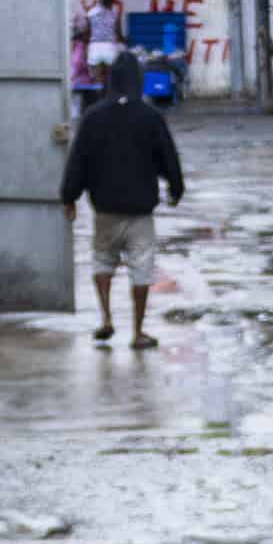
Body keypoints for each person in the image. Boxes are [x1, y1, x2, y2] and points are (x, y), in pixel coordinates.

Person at [62, 57, 188, 346]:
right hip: (140, 209)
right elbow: (169, 158)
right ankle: (138, 331)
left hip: (104, 207)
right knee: (141, 266)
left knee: (102, 260)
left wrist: (69, 197)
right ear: (137, 80)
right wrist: (176, 188)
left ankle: (106, 317)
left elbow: (77, 162)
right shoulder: (150, 117)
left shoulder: (93, 118)